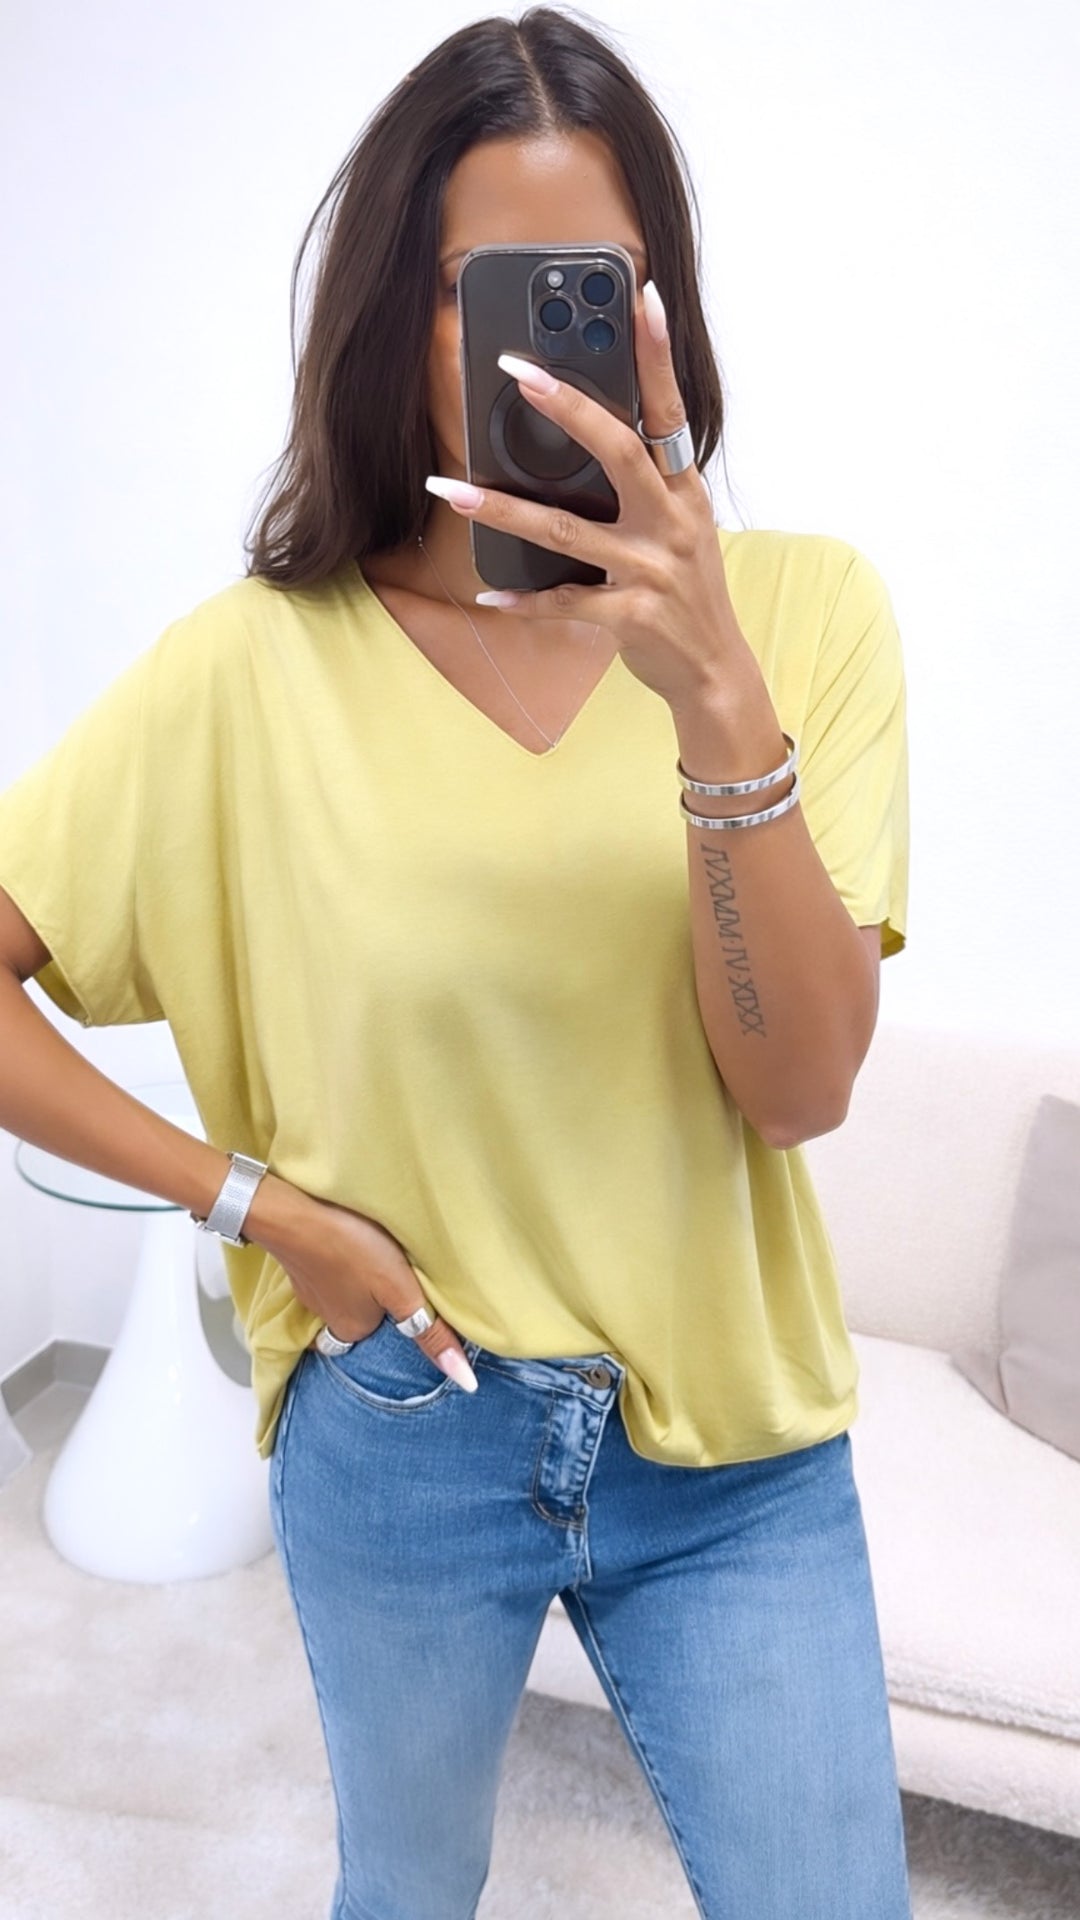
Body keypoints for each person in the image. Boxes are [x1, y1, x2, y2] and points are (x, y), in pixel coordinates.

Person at [0, 9, 915, 1917]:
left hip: (736, 1454)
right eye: (473, 292)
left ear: (662, 312)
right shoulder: (255, 669)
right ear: (386, 320)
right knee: (407, 1892)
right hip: (406, 1420)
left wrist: (714, 701)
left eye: (594, 288)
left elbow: (799, 1090)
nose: (536, 352)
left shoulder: (804, 616)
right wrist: (255, 1209)